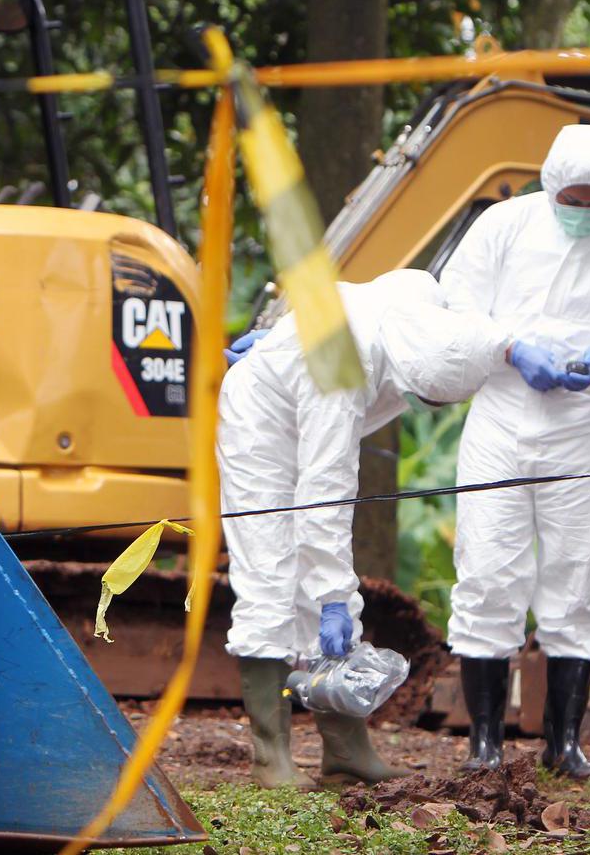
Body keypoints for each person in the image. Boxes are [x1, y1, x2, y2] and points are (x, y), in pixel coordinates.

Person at [440, 124, 590, 778]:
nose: (582, 214)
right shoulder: (502, 227)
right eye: (571, 201)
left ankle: (563, 741)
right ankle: (484, 743)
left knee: (576, 577)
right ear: (549, 185)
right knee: (488, 571)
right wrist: (510, 348)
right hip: (501, 417)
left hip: (588, 426)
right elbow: (453, 314)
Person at [219, 268, 511, 787]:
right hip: (260, 426)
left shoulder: (419, 299)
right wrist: (334, 596)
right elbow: (323, 496)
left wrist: (286, 335)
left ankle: (346, 752)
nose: (430, 408)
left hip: (304, 388)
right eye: (429, 398)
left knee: (327, 596)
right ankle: (271, 757)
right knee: (269, 576)